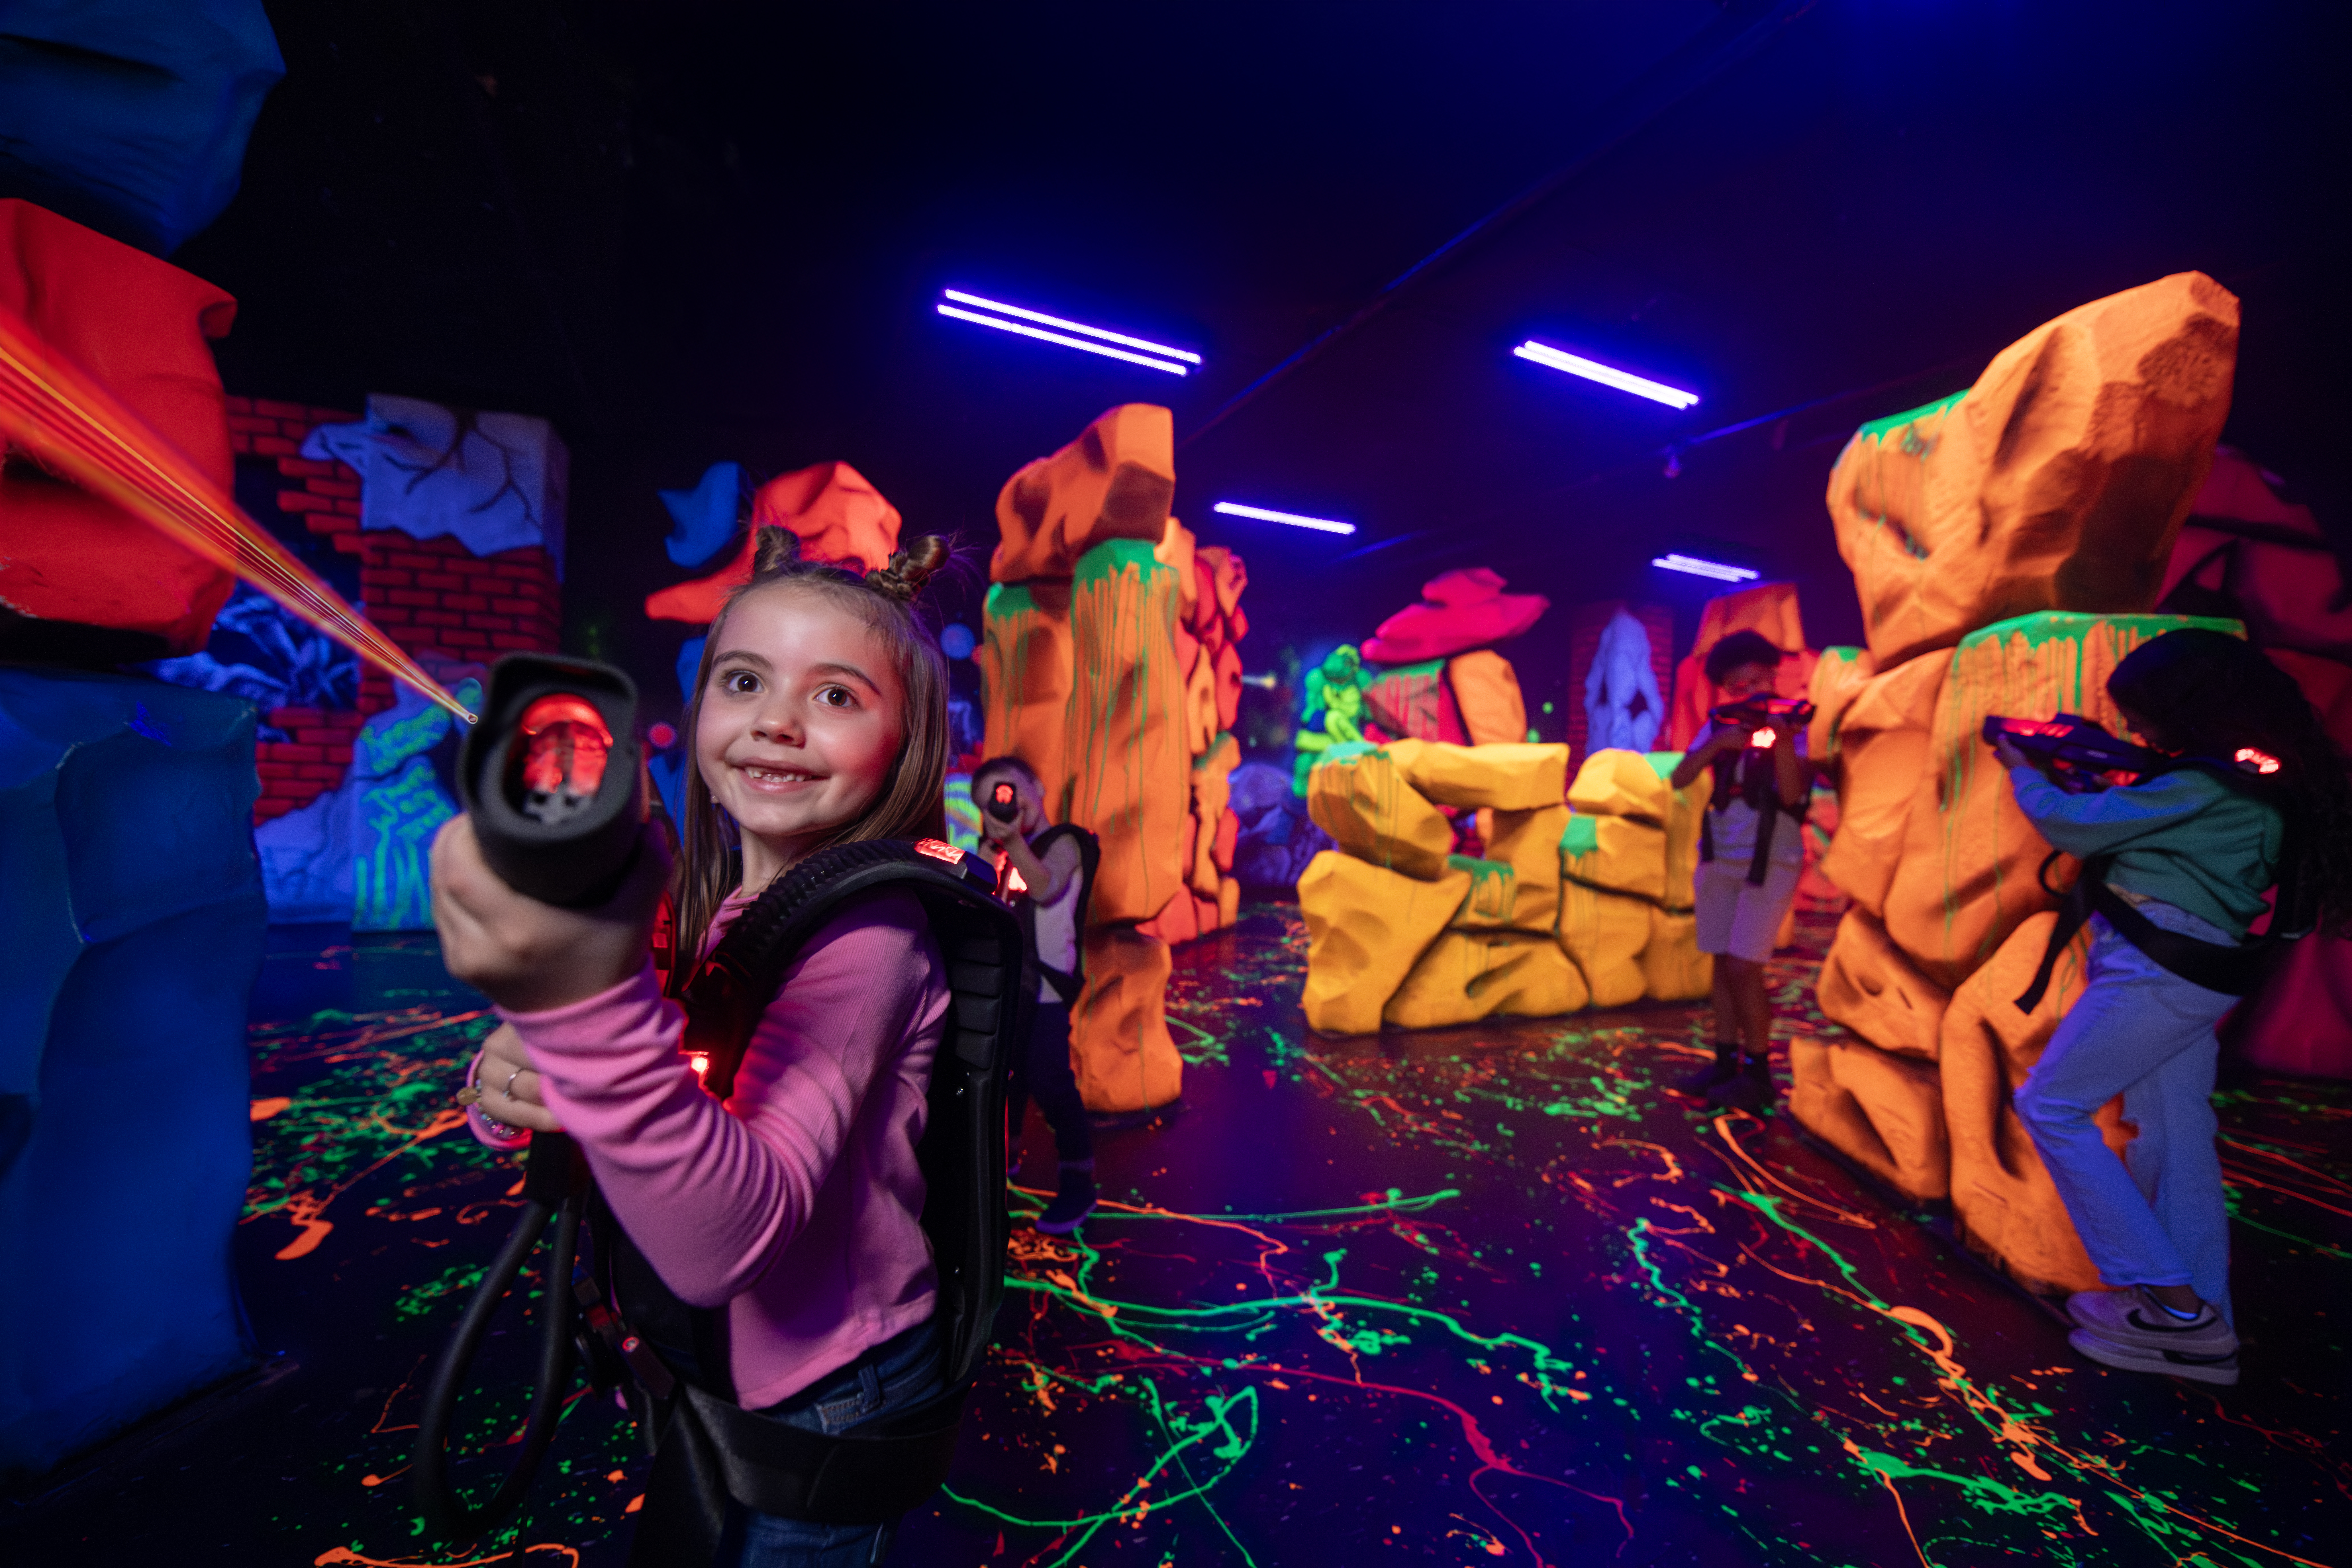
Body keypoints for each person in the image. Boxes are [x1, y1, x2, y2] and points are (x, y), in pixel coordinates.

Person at [434, 523, 958, 1565]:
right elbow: (669, 1099)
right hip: (709, 1367)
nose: (777, 722)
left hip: (822, 1393)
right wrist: (519, 1082)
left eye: (836, 696)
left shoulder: (870, 939)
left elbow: (728, 1245)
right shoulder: (717, 907)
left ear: (904, 745)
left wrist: (584, 1020)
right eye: (745, 680)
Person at [1992, 628, 2352, 1386]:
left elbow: (2071, 827)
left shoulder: (2211, 784)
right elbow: (2140, 826)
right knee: (2178, 1135)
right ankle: (2202, 1322)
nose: (2133, 726)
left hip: (2157, 972)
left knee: (2051, 1105)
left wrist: (2025, 771)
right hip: (2187, 969)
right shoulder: (2240, 780)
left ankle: (2172, 1305)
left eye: (2140, 710)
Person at [1670, 628, 1810, 1111]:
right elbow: (1681, 777)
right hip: (1719, 857)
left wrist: (1783, 740)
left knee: (1743, 966)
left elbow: (1792, 795)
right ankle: (1726, 1061)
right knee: (1719, 962)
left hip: (1770, 859)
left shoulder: (1795, 722)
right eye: (1737, 686)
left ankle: (1759, 1072)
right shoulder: (1722, 724)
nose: (1748, 692)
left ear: (1773, 673)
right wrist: (1719, 744)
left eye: (1755, 681)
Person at [971, 754, 1098, 1233]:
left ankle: (1079, 1184)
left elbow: (1046, 887)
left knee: (1050, 1081)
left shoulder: (1067, 841)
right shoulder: (1001, 847)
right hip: (1009, 984)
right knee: (1009, 1078)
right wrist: (991, 852)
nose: (1004, 804)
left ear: (1038, 787)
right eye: (991, 802)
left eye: (1009, 791)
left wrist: (1011, 843)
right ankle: (1007, 1159)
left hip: (1047, 986)